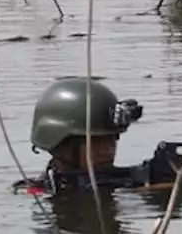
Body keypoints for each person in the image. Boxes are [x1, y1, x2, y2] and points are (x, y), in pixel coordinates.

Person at [15, 76, 144, 195]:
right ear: (61, 146)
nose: (108, 149)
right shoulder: (32, 192)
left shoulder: (125, 180)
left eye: (112, 138)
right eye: (96, 141)